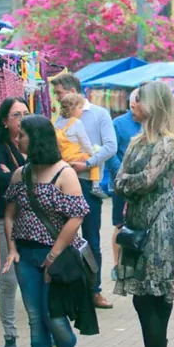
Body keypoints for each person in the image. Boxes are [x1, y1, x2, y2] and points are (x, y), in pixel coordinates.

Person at [2, 115, 89, 347]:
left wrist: (53, 254)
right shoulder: (21, 173)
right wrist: (12, 248)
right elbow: (9, 215)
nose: (17, 140)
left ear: (37, 138)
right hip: (26, 257)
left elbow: (76, 217)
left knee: (55, 316)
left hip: (57, 258)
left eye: (22, 135)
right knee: (35, 316)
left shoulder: (65, 173)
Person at [114, 81, 174, 347]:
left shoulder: (168, 142)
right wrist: (128, 182)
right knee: (142, 298)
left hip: (160, 225)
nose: (134, 104)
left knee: (153, 296)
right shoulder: (136, 140)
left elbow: (144, 180)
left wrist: (127, 182)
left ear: (153, 104)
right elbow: (120, 179)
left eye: (139, 100)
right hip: (137, 223)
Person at [51, 72, 117, 309]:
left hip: (87, 182)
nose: (57, 98)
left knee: (91, 238)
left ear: (71, 91)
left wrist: (88, 163)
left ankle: (94, 289)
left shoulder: (99, 114)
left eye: (59, 93)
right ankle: (66, 287)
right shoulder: (59, 118)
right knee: (62, 235)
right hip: (61, 182)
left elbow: (110, 146)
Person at [0, 97, 29, 347]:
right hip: (4, 217)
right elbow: (1, 178)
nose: (22, 118)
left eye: (25, 113)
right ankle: (10, 334)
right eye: (16, 114)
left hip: (28, 219)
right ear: (4, 120)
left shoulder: (26, 145)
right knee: (9, 279)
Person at [110, 88, 142, 281]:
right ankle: (117, 265)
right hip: (122, 184)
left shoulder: (150, 123)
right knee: (120, 225)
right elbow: (111, 152)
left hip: (144, 184)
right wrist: (120, 174)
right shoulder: (119, 124)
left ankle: (134, 265)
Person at [57, 93, 107, 199]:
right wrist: (93, 154)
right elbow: (85, 142)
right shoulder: (77, 123)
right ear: (72, 109)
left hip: (63, 158)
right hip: (75, 156)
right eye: (80, 107)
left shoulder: (58, 123)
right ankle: (96, 187)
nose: (82, 110)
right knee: (94, 162)